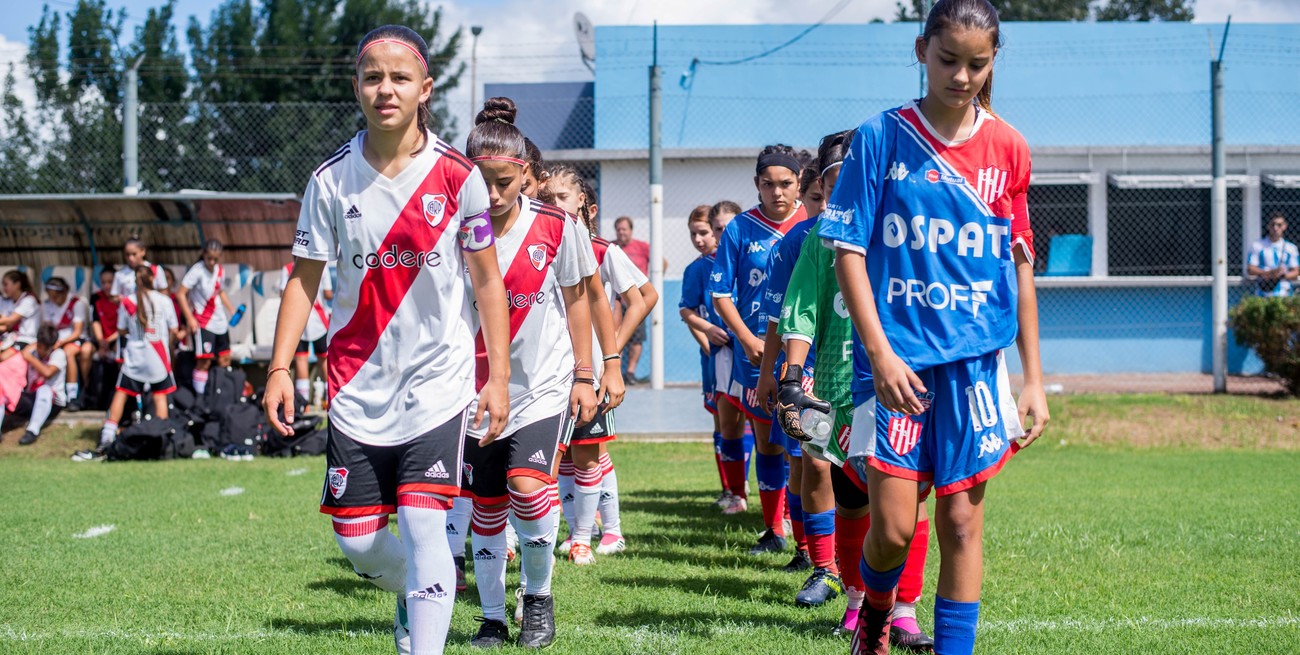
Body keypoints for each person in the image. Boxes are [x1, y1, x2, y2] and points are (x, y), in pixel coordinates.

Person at [261, 25, 511, 655]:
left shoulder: (459, 177)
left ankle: (423, 639)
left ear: (425, 88)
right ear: (356, 87)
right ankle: (416, 591)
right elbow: (303, 281)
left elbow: (488, 282)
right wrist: (279, 368)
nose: (386, 89)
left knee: (426, 523)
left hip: (438, 381)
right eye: (373, 77)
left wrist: (499, 378)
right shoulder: (329, 181)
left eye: (400, 77)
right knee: (359, 544)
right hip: (355, 386)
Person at [817, 2, 1049, 652]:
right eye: (949, 60)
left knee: (962, 523)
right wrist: (880, 353)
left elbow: (1019, 268)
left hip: (975, 366)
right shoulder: (881, 137)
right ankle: (874, 615)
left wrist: (1032, 378)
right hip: (896, 365)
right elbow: (848, 251)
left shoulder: (1009, 148)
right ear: (921, 51)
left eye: (978, 64)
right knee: (893, 530)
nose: (962, 76)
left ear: (993, 61)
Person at [775, 131, 936, 647]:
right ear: (823, 187)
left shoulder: (900, 231)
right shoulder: (819, 240)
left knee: (909, 501)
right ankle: (855, 600)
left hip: (896, 387)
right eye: (836, 183)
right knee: (850, 500)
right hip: (836, 390)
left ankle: (904, 609)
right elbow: (802, 310)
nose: (847, 191)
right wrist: (791, 378)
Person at [459, 98, 598, 649]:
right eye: (481, 183)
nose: (492, 196)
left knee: (528, 486)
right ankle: (492, 617)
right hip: (472, 390)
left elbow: (579, 299)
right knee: (487, 505)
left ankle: (537, 598)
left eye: (503, 183)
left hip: (542, 385)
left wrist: (585, 374)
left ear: (525, 176)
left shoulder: (557, 227)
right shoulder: (450, 229)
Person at [754, 132, 851, 602]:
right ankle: (822, 565)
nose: (825, 203)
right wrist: (772, 372)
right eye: (821, 193)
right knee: (814, 462)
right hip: (814, 365)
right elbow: (783, 312)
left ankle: (870, 576)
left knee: (870, 475)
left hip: (871, 372)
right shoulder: (802, 240)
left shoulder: (887, 230)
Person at [547, 165, 653, 562]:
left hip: (588, 373)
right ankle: (582, 529)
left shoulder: (601, 249)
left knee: (590, 453)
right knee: (565, 457)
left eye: (562, 197)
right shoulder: (539, 243)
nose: (554, 204)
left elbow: (644, 297)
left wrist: (611, 354)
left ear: (583, 203)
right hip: (553, 369)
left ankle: (603, 532)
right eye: (548, 198)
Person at [709, 144, 808, 555]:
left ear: (799, 183)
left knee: (805, 448)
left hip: (809, 354)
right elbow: (720, 293)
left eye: (785, 183)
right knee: (768, 442)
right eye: (768, 184)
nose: (777, 192)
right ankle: (774, 528)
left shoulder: (811, 221)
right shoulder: (740, 228)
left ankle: (809, 538)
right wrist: (747, 340)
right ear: (757, 184)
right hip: (756, 355)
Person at [72, 265, 180, 462]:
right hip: (158, 357)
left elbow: (121, 329)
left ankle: (107, 437)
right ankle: (163, 439)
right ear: (153, 280)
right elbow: (174, 328)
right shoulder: (164, 300)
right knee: (159, 397)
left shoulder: (128, 301)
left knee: (121, 394)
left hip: (135, 358)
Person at [678, 204, 732, 501]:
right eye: (693, 234)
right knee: (721, 421)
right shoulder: (696, 270)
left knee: (753, 421)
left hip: (743, 353)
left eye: (704, 232)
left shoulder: (735, 260)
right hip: (715, 356)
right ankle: (730, 488)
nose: (698, 239)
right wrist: (708, 341)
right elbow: (689, 312)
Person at [178, 240, 237, 394]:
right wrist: (190, 318)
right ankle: (200, 397)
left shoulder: (220, 270)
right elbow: (180, 294)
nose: (211, 262)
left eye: (215, 259)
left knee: (224, 358)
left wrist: (231, 309)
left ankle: (222, 394)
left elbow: (220, 291)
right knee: (204, 361)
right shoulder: (197, 270)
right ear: (204, 254)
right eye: (209, 258)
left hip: (220, 322)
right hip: (203, 322)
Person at [1, 325, 68, 445]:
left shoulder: (59, 354)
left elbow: (48, 373)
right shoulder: (31, 351)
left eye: (45, 348)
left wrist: (30, 358)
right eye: (40, 346)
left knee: (44, 390)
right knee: (4, 392)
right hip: (32, 398)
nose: (42, 351)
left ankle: (32, 431)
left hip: (53, 401)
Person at [280, 260, 334, 406]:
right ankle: (329, 399)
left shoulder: (287, 268)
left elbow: (283, 294)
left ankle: (303, 403)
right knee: (324, 358)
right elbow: (328, 293)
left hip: (298, 321)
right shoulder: (322, 266)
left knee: (301, 359)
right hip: (319, 321)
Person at [40, 277, 90, 411]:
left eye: (56, 296)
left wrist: (61, 342)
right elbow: (48, 327)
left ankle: (72, 395)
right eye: (51, 296)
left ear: (64, 292)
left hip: (74, 339)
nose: (53, 299)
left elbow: (78, 331)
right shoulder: (47, 304)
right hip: (56, 341)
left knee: (68, 353)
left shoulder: (76, 303)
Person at [1246, 212, 1299, 297]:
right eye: (1272, 225)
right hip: (1263, 293)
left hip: (1285, 293)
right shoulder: (1257, 245)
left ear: (1284, 226)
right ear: (1268, 226)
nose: (1275, 228)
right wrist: (1269, 273)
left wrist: (1281, 275)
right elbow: (1250, 269)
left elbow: (1296, 271)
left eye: (1279, 225)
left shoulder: (1291, 248)